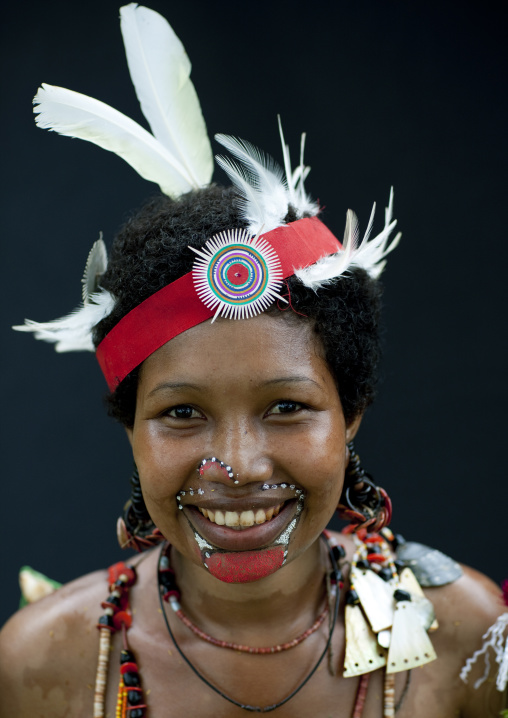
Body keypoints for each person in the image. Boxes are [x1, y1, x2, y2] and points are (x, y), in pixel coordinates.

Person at [0, 5, 506, 717]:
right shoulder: (41, 666)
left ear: (351, 412)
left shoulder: (470, 640)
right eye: (181, 413)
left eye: (287, 407)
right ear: (130, 429)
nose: (238, 464)